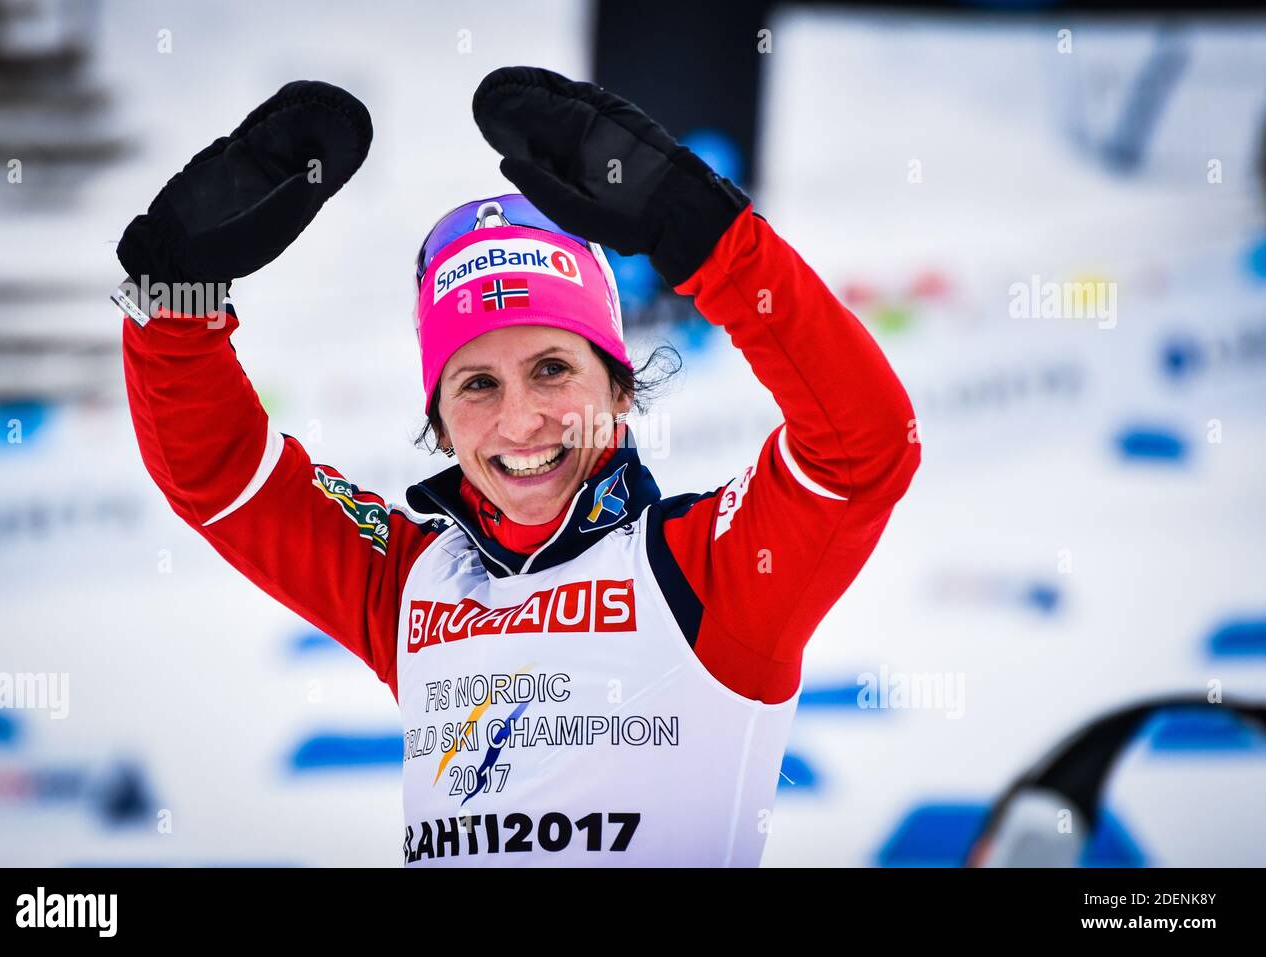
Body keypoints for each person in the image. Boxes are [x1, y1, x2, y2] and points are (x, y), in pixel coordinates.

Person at [114, 67, 920, 867]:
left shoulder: (705, 570)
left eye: (552, 369)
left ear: (620, 386)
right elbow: (223, 474)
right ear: (438, 422)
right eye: (476, 384)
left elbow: (863, 448)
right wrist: (175, 301)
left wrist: (711, 239)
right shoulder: (411, 582)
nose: (519, 420)